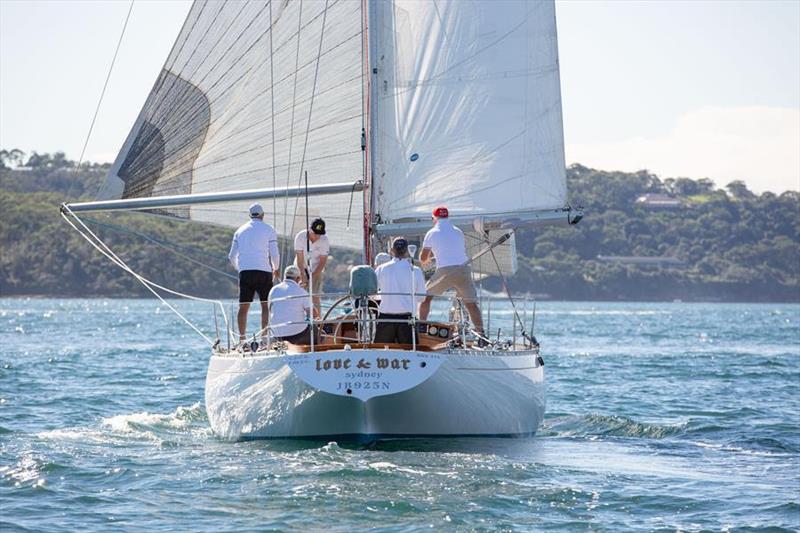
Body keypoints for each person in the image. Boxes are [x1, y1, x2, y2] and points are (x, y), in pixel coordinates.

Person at [418, 206, 485, 338]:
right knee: (471, 304)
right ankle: (482, 335)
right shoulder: (458, 231)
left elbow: (423, 259)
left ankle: (420, 329)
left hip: (445, 271)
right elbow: (455, 250)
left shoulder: (432, 232)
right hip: (464, 269)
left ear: (434, 218)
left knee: (425, 298)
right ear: (447, 217)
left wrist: (428, 259)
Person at [228, 203, 280, 345]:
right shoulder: (269, 229)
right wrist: (276, 268)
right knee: (265, 305)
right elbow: (274, 254)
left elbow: (231, 256)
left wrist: (240, 269)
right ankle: (264, 338)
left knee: (243, 306)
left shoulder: (239, 231)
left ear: (249, 215)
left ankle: (242, 339)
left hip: (245, 272)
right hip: (264, 271)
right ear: (262, 215)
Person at [374, 237, 426, 345]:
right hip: (406, 320)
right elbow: (422, 297)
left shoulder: (380, 269)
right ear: (407, 251)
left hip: (385, 319)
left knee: (379, 353)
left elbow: (373, 293)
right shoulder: (415, 270)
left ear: (391, 251)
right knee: (410, 354)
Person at [268, 265, 318, 345]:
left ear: (285, 276)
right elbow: (314, 314)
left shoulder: (273, 290)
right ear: (298, 278)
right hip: (296, 335)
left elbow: (271, 310)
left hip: (277, 335)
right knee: (316, 330)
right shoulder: (301, 291)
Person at [294, 217, 330, 315]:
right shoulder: (300, 237)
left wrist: (313, 276)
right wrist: (302, 275)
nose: (317, 236)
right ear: (309, 229)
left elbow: (323, 261)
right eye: (315, 233)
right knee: (300, 295)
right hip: (301, 266)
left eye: (319, 234)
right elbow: (299, 258)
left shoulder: (325, 240)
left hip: (317, 268)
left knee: (315, 295)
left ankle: (317, 320)